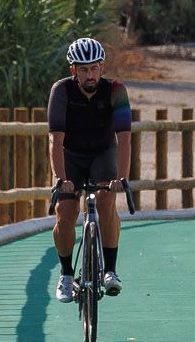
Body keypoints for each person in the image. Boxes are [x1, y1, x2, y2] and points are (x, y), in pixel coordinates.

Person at [46, 35, 134, 303]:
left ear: (102, 68)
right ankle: (66, 274)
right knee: (66, 212)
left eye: (94, 68)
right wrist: (61, 180)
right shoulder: (61, 91)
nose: (90, 75)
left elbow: (126, 138)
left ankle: (110, 270)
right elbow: (55, 140)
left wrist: (122, 178)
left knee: (107, 202)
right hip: (70, 156)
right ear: (74, 71)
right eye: (83, 69)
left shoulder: (116, 90)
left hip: (102, 153)